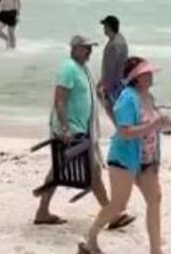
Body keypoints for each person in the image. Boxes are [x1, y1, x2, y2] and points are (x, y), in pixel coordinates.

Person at [79, 56, 171, 254]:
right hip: (124, 159)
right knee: (118, 205)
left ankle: (156, 252)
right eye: (147, 73)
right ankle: (90, 240)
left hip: (147, 160)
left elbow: (153, 125)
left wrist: (167, 125)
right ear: (137, 77)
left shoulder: (148, 97)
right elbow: (124, 131)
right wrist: (153, 126)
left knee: (155, 199)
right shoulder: (127, 98)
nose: (151, 76)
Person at [33, 36, 132, 230]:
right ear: (75, 48)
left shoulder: (83, 68)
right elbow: (60, 100)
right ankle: (111, 215)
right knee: (91, 171)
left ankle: (42, 211)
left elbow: (89, 93)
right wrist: (64, 128)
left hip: (81, 129)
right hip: (71, 130)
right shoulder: (68, 68)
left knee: (63, 169)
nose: (90, 52)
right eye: (86, 48)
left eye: (91, 48)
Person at [97, 15, 129, 119]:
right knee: (120, 113)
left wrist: (103, 86)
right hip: (121, 82)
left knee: (114, 112)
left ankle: (122, 132)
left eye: (105, 26)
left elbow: (110, 68)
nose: (103, 29)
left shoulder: (113, 44)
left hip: (114, 85)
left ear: (109, 27)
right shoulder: (121, 40)